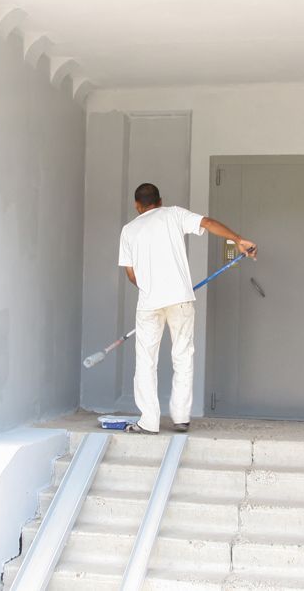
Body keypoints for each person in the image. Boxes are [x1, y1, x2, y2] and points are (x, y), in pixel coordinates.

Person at [118, 183, 257, 434]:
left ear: (137, 206)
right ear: (160, 201)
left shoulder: (129, 230)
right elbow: (208, 222)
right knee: (182, 355)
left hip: (149, 304)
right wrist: (237, 240)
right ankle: (181, 417)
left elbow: (131, 273)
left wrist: (151, 287)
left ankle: (148, 421)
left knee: (145, 362)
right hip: (180, 299)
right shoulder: (173, 214)